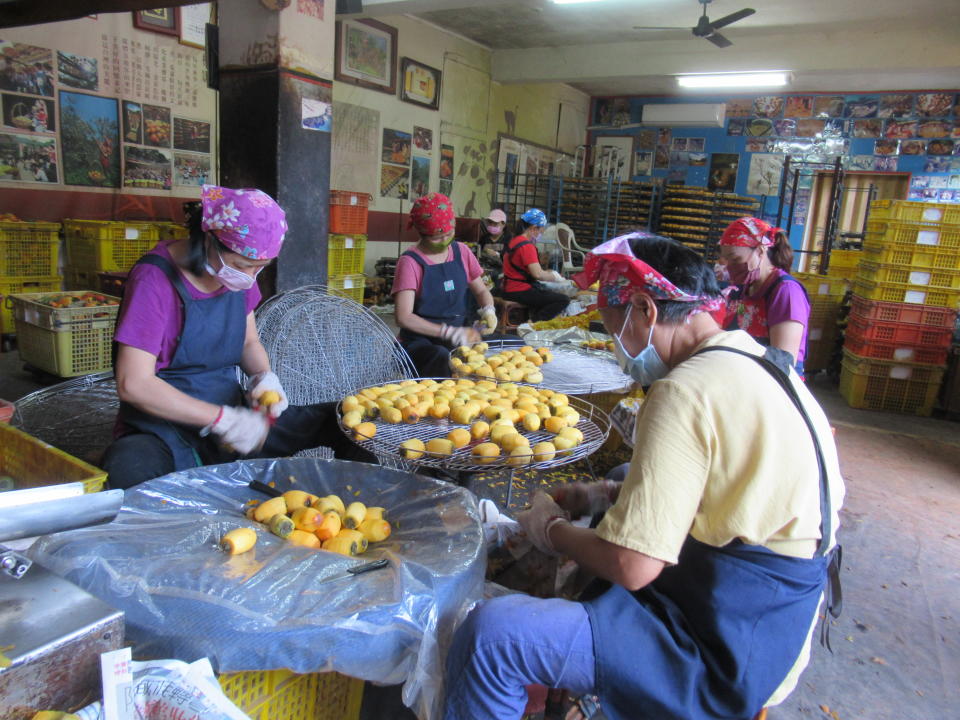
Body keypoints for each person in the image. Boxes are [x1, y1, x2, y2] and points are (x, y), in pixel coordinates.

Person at [443, 232, 844, 720]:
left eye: (614, 329)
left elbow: (634, 567)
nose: (616, 348)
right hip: (782, 609)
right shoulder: (754, 358)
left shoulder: (683, 391)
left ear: (645, 310)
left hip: (726, 645)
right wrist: (605, 495)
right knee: (623, 471)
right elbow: (729, 483)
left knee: (492, 637)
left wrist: (551, 532)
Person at [103, 185, 371, 489]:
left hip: (233, 416)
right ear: (208, 239)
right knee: (128, 466)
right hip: (164, 426)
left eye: (260, 269)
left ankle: (349, 504)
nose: (249, 277)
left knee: (348, 420)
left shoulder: (238, 280)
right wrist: (221, 420)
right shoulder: (154, 281)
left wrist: (263, 375)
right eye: (243, 266)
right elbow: (133, 383)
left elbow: (248, 342)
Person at [393, 193, 497, 378]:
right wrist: (447, 332)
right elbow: (403, 316)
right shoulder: (410, 262)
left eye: (448, 234)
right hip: (421, 343)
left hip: (459, 334)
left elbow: (481, 290)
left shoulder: (461, 251)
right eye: (436, 238)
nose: (444, 242)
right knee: (441, 358)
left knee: (498, 349)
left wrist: (488, 309)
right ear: (421, 233)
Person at [719, 217, 811, 375]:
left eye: (735, 259)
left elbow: (782, 363)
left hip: (771, 386)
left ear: (761, 250)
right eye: (726, 260)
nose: (729, 267)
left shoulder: (786, 292)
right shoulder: (744, 288)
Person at [500, 209, 569, 322]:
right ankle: (533, 324)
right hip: (518, 290)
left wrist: (548, 272)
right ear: (533, 228)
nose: (540, 235)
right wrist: (555, 277)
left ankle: (530, 318)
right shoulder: (527, 246)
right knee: (563, 300)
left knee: (545, 296)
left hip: (507, 288)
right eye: (540, 231)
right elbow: (537, 274)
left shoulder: (514, 241)